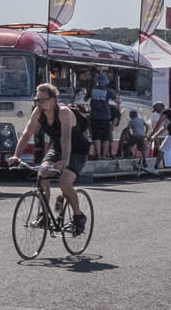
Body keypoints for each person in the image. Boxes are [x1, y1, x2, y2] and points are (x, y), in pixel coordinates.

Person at [12, 82, 88, 234]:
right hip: (57, 148)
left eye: (42, 99)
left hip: (76, 150)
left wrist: (65, 160)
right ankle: (44, 215)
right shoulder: (38, 112)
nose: (39, 103)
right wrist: (16, 155)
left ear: (53, 100)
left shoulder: (64, 112)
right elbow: (27, 133)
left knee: (64, 183)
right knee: (43, 173)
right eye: (36, 100)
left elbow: (66, 137)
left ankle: (78, 216)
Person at [88, 70, 115, 158]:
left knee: (96, 136)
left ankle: (98, 155)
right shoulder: (109, 91)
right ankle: (104, 155)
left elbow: (85, 99)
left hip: (94, 116)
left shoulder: (92, 89)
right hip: (105, 116)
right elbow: (117, 101)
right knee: (105, 137)